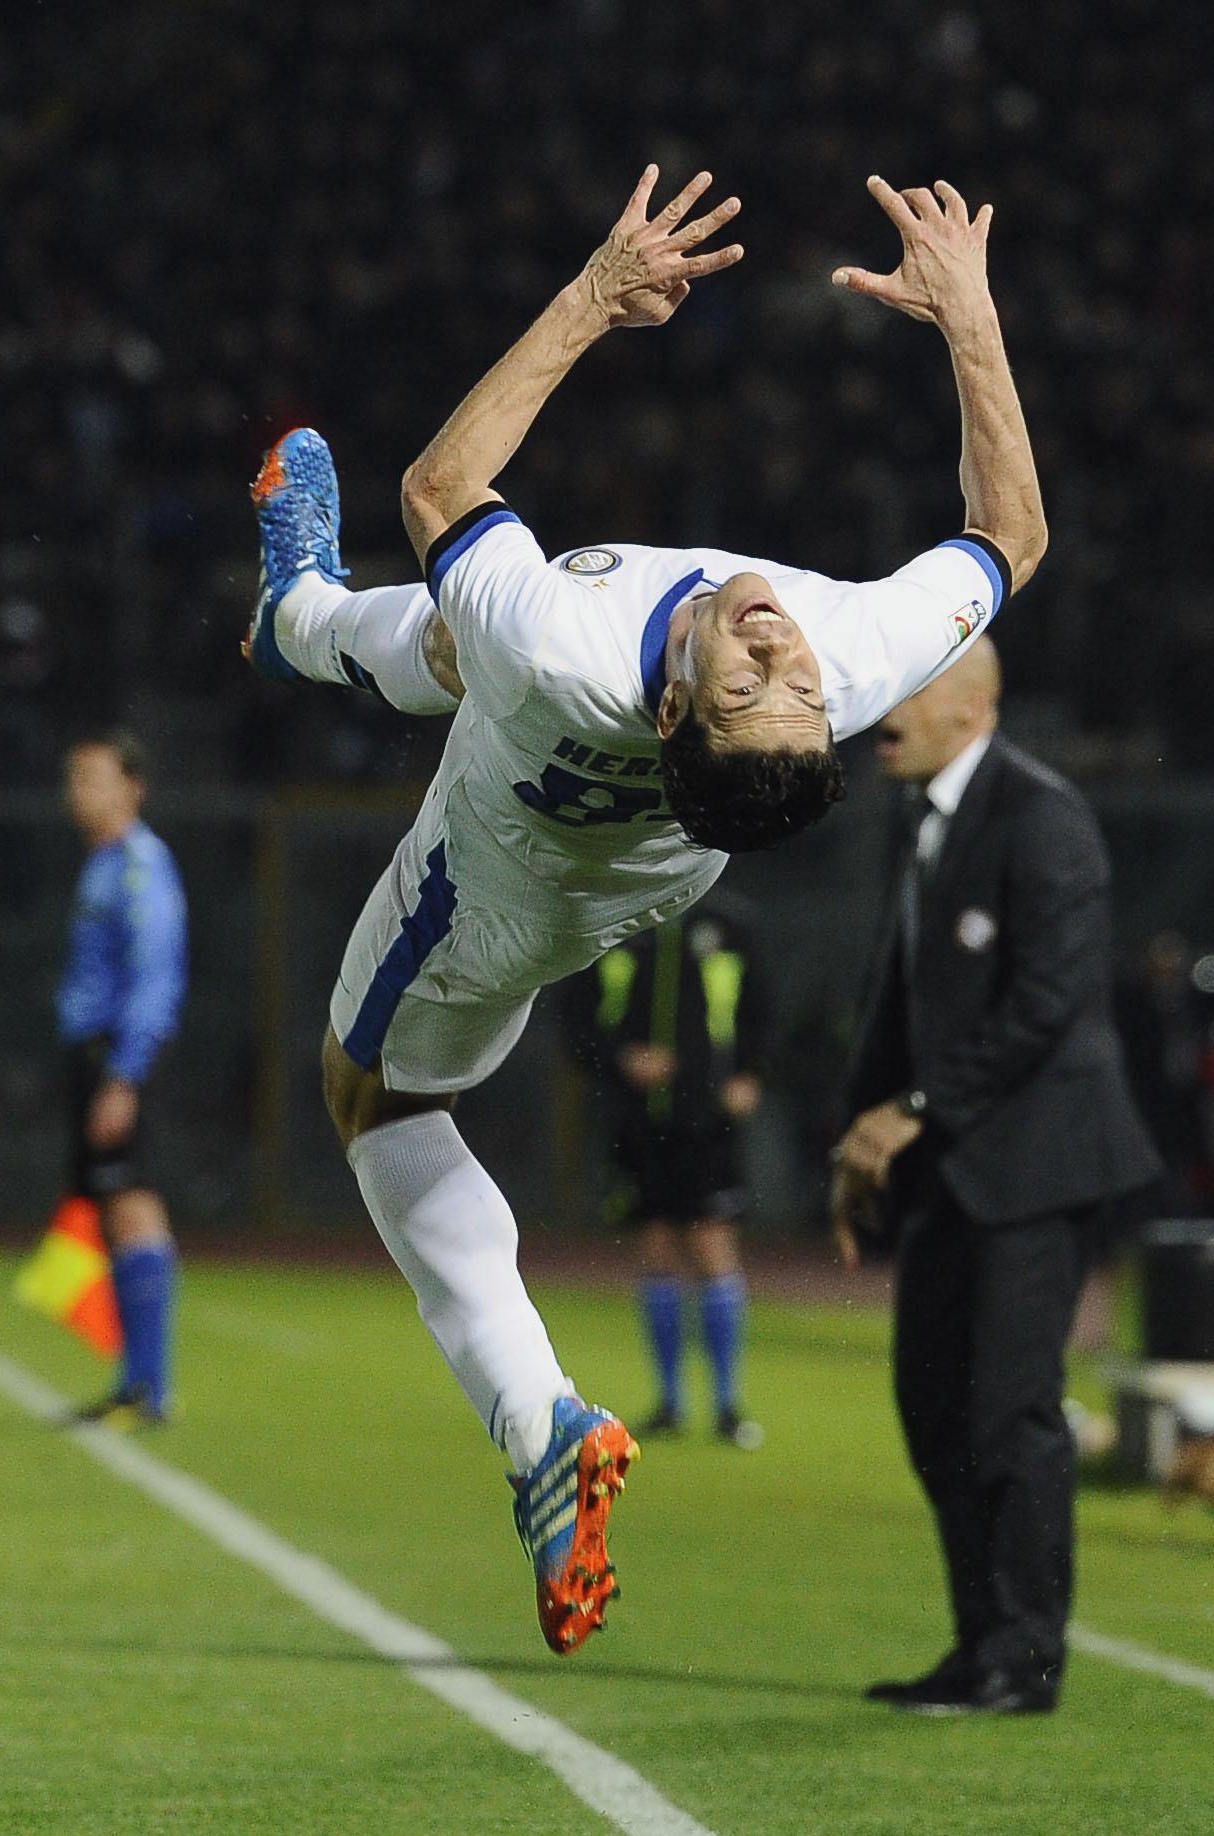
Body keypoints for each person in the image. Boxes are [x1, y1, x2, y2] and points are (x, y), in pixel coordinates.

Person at [246, 165, 1046, 1655]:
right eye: (787, 679)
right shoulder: (848, 661)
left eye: (757, 675)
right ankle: (295, 611)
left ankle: (534, 1418)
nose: (781, 649)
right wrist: (972, 325)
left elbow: (438, 490)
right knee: (445, 633)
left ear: (675, 704)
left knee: (372, 1103)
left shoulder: (564, 649)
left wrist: (601, 296)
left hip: (495, 894)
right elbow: (1011, 538)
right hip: (648, 853)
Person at [830, 638, 1159, 1715]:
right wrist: (858, 1140)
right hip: (956, 1174)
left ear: (972, 708)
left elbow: (1045, 1005)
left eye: (912, 686)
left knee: (1010, 1412)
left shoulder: (1042, 814)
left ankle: (1024, 1656)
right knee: (931, 1407)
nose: (886, 704)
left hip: (1040, 1165)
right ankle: (978, 1645)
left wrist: (912, 1113)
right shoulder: (923, 821)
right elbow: (901, 1004)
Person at [562, 898, 768, 1447]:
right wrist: (620, 1060)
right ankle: (670, 1402)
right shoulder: (618, 922)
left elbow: (761, 1012)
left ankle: (727, 1405)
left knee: (713, 1249)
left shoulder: (730, 927)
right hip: (638, 1125)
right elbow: (576, 1019)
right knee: (656, 1249)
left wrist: (751, 1075)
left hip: (711, 1123)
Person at [57, 730, 188, 1426]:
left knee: (133, 1202)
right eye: (75, 779)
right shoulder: (103, 862)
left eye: (96, 778)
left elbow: (154, 974)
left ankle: (151, 1387)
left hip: (119, 1056)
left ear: (133, 787)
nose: (81, 792)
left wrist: (125, 1075)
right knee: (113, 1208)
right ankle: (133, 1382)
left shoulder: (139, 865)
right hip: (95, 1054)